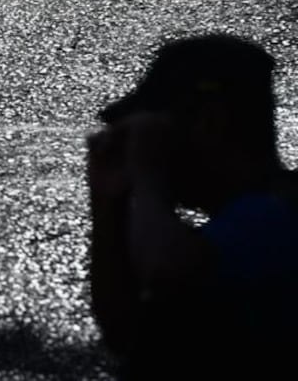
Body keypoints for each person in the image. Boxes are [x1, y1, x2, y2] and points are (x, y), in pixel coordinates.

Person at [86, 33, 298, 379]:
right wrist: (108, 202)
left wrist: (148, 175)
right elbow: (127, 334)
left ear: (210, 119)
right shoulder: (227, 233)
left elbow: (166, 270)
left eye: (152, 134)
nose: (139, 150)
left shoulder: (279, 214)